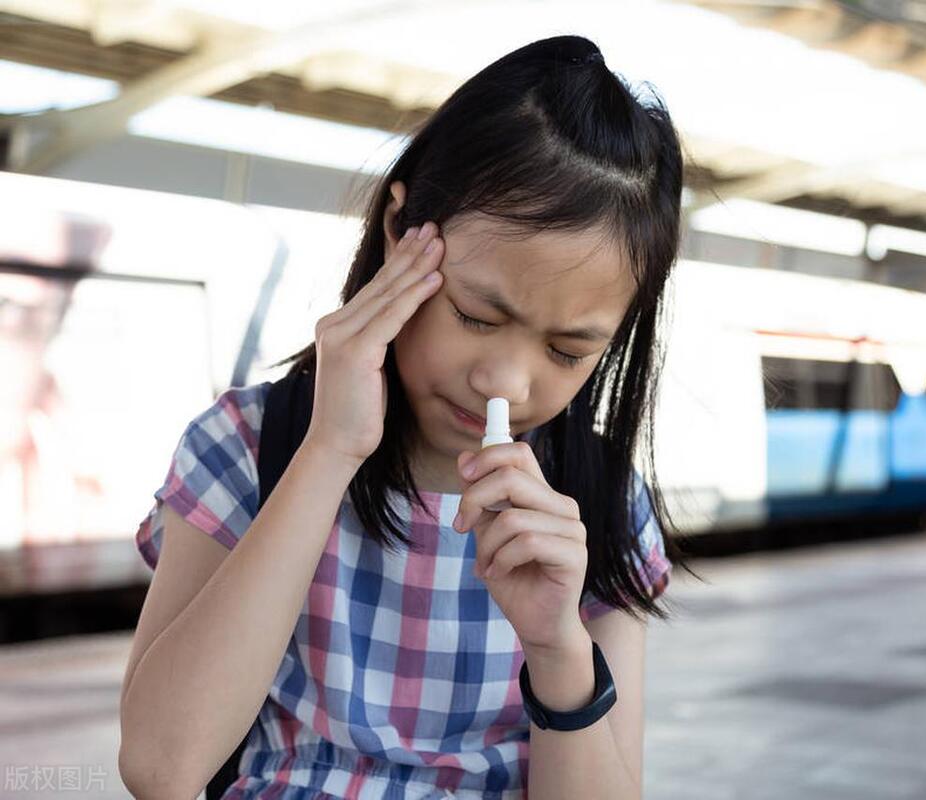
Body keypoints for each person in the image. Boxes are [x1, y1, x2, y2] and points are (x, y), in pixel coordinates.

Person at [118, 34, 701, 799]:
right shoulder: (248, 448)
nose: (504, 384)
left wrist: (558, 646)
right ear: (399, 231)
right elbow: (161, 768)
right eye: (475, 315)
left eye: (566, 351)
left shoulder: (600, 504)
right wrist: (329, 450)